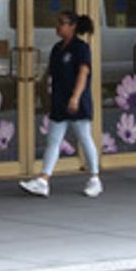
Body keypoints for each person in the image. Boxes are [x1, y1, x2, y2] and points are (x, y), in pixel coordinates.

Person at [20, 11, 102, 198]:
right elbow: (50, 73)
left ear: (72, 26)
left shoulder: (81, 48)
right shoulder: (57, 48)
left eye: (62, 23)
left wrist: (75, 97)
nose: (57, 26)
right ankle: (43, 181)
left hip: (76, 102)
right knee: (53, 141)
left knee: (84, 138)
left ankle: (95, 178)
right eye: (57, 22)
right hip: (59, 101)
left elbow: (83, 73)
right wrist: (42, 91)